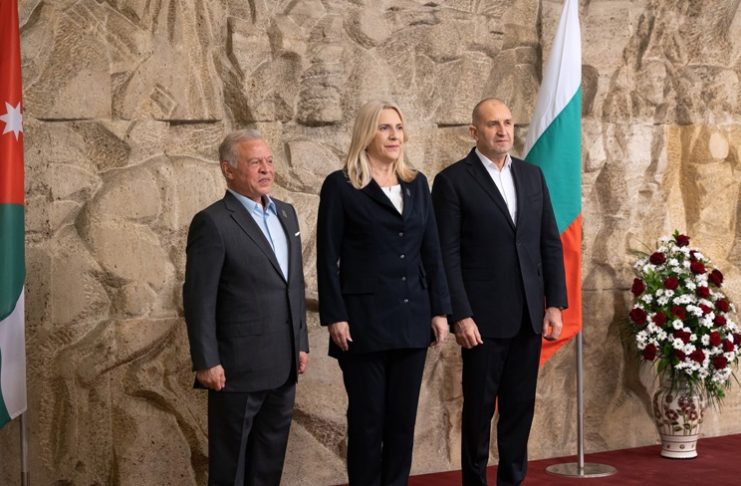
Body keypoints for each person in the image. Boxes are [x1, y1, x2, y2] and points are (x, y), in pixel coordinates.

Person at [431, 98, 567, 486]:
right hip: (481, 321)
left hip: (528, 316)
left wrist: (555, 304)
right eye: (493, 124)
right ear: (474, 132)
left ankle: (512, 480)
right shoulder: (452, 181)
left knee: (519, 410)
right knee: (478, 412)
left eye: (508, 122)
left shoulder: (532, 176)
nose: (503, 130)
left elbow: (549, 242)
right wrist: (460, 314)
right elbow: (446, 255)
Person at [316, 100, 452, 486]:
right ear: (366, 134)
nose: (394, 135)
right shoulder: (341, 185)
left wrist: (440, 310)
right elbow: (327, 257)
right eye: (384, 128)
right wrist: (335, 315)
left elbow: (432, 252)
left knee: (401, 423)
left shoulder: (417, 183)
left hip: (412, 320)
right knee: (367, 421)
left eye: (398, 127)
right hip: (363, 324)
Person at [182, 129, 309, 486]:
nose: (266, 169)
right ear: (229, 169)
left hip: (283, 365)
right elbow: (198, 297)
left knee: (268, 466)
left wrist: (300, 342)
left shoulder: (287, 213)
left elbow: (294, 284)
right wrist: (206, 361)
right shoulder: (212, 222)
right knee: (231, 470)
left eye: (269, 161)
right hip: (235, 371)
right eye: (255, 163)